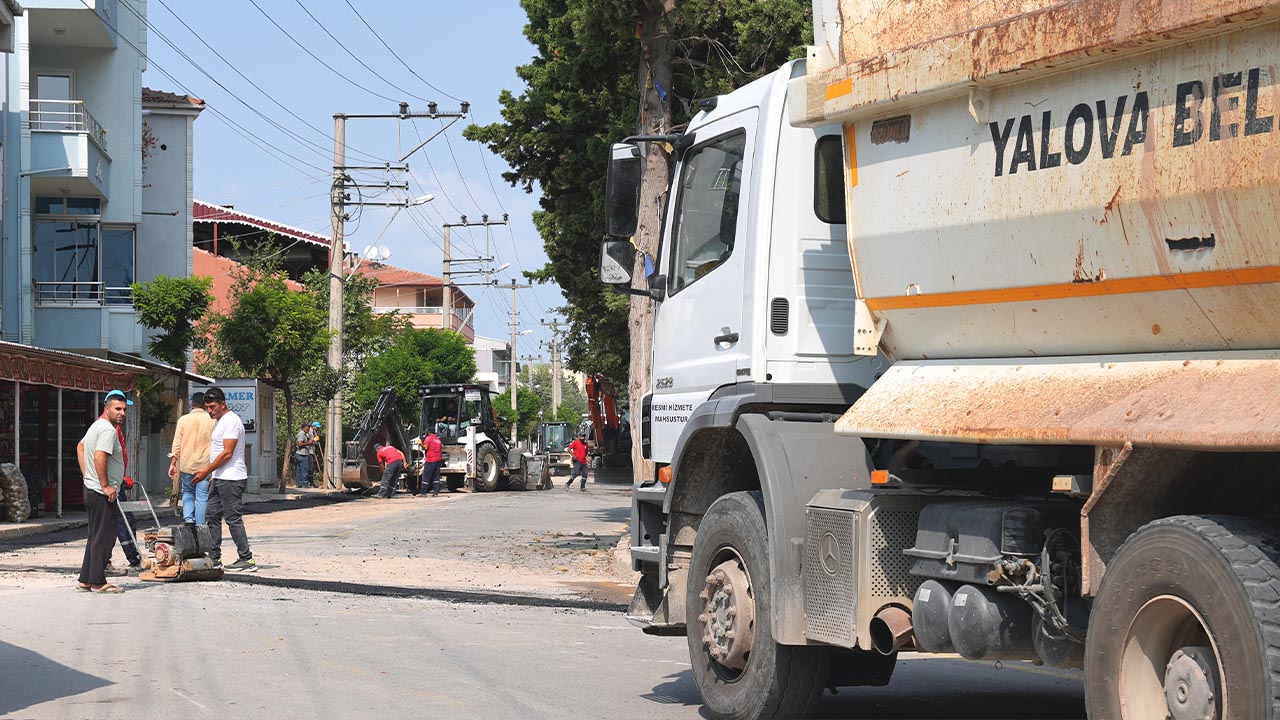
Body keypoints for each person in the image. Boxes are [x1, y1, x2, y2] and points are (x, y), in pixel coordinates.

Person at [195, 386, 255, 572]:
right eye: (207, 408)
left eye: (213, 407)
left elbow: (227, 453)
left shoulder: (231, 421)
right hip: (219, 477)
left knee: (232, 518)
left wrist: (206, 471)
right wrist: (213, 475)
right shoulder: (219, 421)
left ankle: (246, 558)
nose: (210, 411)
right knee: (211, 515)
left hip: (232, 478)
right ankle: (214, 557)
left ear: (223, 404)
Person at [76, 391, 129, 593]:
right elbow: (99, 457)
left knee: (95, 536)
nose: (122, 412)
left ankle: (86, 579)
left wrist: (86, 475)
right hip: (100, 491)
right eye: (117, 409)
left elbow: (80, 447)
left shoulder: (96, 425)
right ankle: (98, 582)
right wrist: (106, 485)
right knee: (104, 536)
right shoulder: (107, 430)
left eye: (124, 409)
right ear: (106, 409)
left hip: (92, 488)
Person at [169, 391, 215, 525]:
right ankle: (200, 526)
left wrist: (173, 463)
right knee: (202, 497)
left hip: (187, 465)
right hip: (205, 466)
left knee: (188, 492)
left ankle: (188, 519)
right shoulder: (212, 420)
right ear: (205, 405)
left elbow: (176, 444)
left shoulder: (183, 420)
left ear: (192, 404)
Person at [294, 421, 320, 488]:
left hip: (302, 453)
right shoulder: (301, 434)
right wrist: (309, 443)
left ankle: (299, 484)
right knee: (304, 470)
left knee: (299, 470)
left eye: (309, 427)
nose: (308, 429)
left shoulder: (305, 434)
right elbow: (300, 444)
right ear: (303, 428)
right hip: (302, 454)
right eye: (307, 427)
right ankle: (304, 484)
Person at [420, 430, 443, 497]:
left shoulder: (428, 438)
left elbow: (425, 447)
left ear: (428, 432)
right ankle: (436, 492)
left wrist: (420, 444)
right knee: (436, 477)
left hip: (430, 459)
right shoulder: (438, 440)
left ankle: (423, 492)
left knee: (426, 476)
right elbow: (441, 449)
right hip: (438, 459)